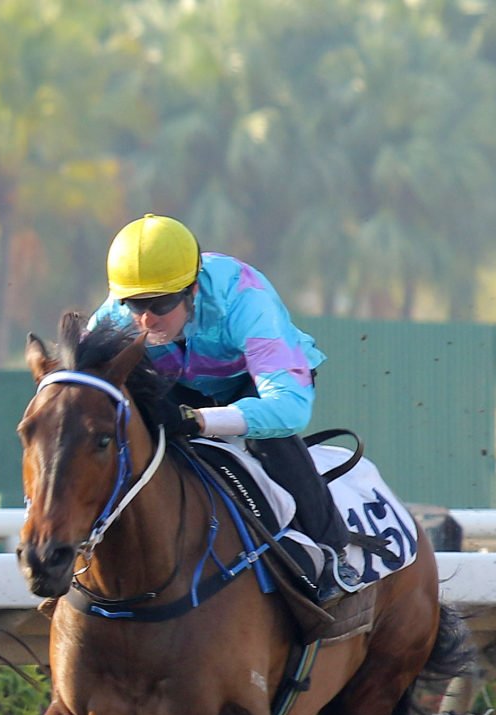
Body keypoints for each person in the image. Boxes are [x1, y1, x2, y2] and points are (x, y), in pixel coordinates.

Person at [91, 213, 357, 604]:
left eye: (161, 304)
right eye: (135, 304)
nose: (146, 319)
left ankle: (331, 551)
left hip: (253, 383)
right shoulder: (115, 318)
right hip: (177, 385)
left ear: (192, 289)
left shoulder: (245, 299)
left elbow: (290, 409)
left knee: (274, 443)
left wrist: (200, 420)